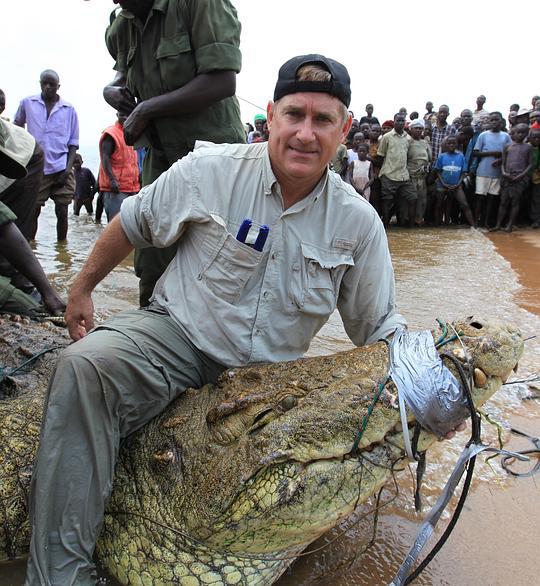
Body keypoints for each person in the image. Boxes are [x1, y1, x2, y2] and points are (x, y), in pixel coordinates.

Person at [23, 54, 413, 586]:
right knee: (85, 368)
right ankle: (60, 577)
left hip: (266, 383)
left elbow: (379, 328)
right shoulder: (209, 170)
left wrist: (425, 390)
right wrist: (82, 287)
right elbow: (132, 224)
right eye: (294, 114)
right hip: (177, 337)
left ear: (344, 129)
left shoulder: (359, 224)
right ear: (271, 115)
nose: (305, 133)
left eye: (323, 120)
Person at [103, 0, 246, 307]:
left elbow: (222, 80)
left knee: (221, 262)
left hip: (216, 157)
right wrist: (111, 91)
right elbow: (119, 73)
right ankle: (151, 339)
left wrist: (147, 109)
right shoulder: (121, 26)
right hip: (160, 159)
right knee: (153, 259)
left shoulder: (199, 4)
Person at [0, 126, 65, 316]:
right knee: (26, 307)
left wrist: (48, 293)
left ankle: (27, 288)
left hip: (25, 153)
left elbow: (4, 230)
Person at [14, 69, 79, 242]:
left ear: (58, 87)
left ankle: (62, 250)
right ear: (40, 84)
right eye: (44, 83)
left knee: (62, 210)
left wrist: (67, 170)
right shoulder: (27, 103)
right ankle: (29, 246)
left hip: (61, 167)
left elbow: (73, 143)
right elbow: (16, 129)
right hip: (36, 168)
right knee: (33, 210)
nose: (48, 87)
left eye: (52, 84)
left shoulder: (69, 109)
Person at [98, 112, 140, 222]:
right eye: (122, 114)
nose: (125, 117)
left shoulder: (132, 133)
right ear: (117, 114)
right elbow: (105, 157)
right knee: (116, 225)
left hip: (132, 188)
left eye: (128, 114)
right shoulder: (111, 134)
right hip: (116, 189)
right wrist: (112, 180)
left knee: (132, 225)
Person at [490, 123, 532, 232]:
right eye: (518, 132)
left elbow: (530, 164)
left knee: (515, 202)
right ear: (513, 133)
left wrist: (521, 176)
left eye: (523, 133)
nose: (520, 135)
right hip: (507, 178)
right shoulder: (507, 146)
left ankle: (509, 225)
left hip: (519, 179)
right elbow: (503, 162)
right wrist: (504, 172)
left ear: (527, 134)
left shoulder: (528, 147)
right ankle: (498, 225)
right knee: (503, 202)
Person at [377, 113, 417, 228]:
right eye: (398, 121)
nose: (400, 123)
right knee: (387, 201)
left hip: (404, 176)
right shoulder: (387, 137)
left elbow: (408, 156)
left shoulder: (408, 138)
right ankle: (385, 226)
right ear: (394, 122)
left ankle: (411, 228)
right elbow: (380, 156)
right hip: (389, 174)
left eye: (402, 121)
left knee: (413, 198)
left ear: (405, 123)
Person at [473, 112, 512, 227]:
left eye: (496, 120)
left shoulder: (505, 136)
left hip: (497, 173)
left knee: (491, 199)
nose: (494, 122)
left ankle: (486, 222)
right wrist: (493, 153)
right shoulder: (483, 135)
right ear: (489, 122)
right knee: (480, 197)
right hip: (483, 172)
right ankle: (475, 222)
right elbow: (475, 153)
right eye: (492, 120)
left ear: (501, 122)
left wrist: (500, 160)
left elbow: (510, 153)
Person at [433, 135, 475, 227]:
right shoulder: (442, 156)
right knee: (439, 204)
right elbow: (438, 171)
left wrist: (458, 184)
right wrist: (443, 183)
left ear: (457, 144)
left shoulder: (461, 156)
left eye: (453, 143)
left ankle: (473, 226)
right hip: (442, 185)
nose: (451, 145)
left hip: (457, 185)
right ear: (446, 145)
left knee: (464, 204)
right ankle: (437, 225)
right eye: (449, 143)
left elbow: (463, 173)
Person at [407, 119, 432, 225]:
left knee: (422, 201)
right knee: (411, 200)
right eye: (416, 128)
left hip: (422, 176)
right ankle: (409, 221)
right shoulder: (407, 142)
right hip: (410, 175)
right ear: (411, 129)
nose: (418, 130)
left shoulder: (425, 143)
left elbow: (430, 158)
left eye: (420, 128)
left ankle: (419, 220)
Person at [529, 128, 540, 228]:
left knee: (536, 199)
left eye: (539, 138)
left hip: (537, 178)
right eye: (534, 137)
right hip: (524, 176)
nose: (537, 139)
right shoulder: (526, 147)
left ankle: (535, 220)